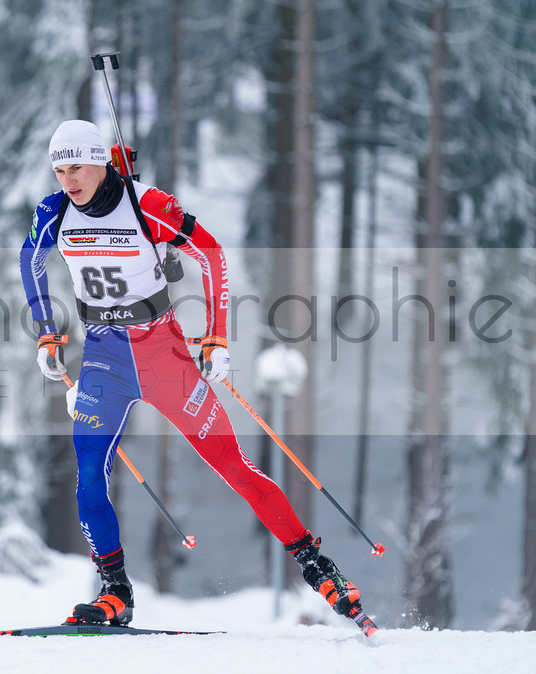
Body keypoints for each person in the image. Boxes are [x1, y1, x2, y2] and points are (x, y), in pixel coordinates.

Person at [20, 119, 367, 627]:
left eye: (76, 167)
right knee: (89, 475)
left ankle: (320, 569)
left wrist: (217, 335)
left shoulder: (149, 205)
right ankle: (115, 591)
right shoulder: (53, 212)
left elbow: (211, 254)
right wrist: (47, 333)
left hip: (164, 357)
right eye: (59, 170)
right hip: (102, 359)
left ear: (100, 162)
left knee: (232, 465)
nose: (67, 180)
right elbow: (29, 258)